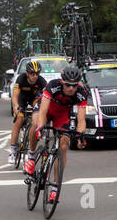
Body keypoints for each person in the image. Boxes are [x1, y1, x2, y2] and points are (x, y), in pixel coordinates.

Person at [25, 65, 89, 203]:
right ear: (62, 82)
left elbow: (81, 120)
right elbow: (43, 111)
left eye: (74, 85)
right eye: (67, 85)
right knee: (36, 123)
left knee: (64, 145)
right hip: (47, 109)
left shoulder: (81, 93)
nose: (71, 88)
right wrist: (41, 128)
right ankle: (31, 156)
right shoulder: (53, 86)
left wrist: (80, 136)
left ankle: (55, 188)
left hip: (62, 114)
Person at [7, 60, 46, 165]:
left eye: (37, 74)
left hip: (34, 100)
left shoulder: (42, 82)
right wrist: (16, 106)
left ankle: (31, 146)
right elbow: (15, 95)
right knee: (19, 120)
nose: (35, 76)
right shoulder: (21, 79)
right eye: (32, 74)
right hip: (22, 100)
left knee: (35, 121)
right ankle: (13, 151)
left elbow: (45, 99)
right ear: (27, 73)